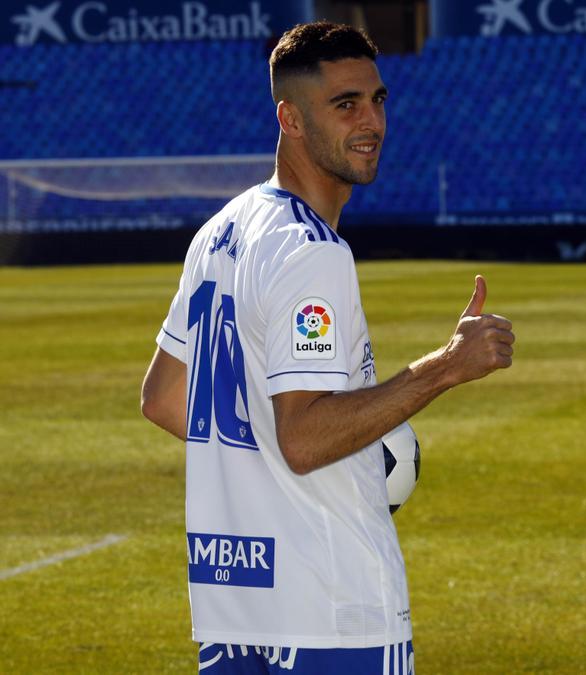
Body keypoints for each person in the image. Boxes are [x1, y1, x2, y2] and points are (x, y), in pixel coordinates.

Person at [139, 21, 515, 674]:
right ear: (289, 117)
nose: (371, 121)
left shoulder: (220, 230)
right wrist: (447, 366)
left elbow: (165, 398)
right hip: (335, 610)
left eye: (377, 100)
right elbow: (307, 439)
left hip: (236, 607)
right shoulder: (311, 250)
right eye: (345, 105)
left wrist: (268, 480)